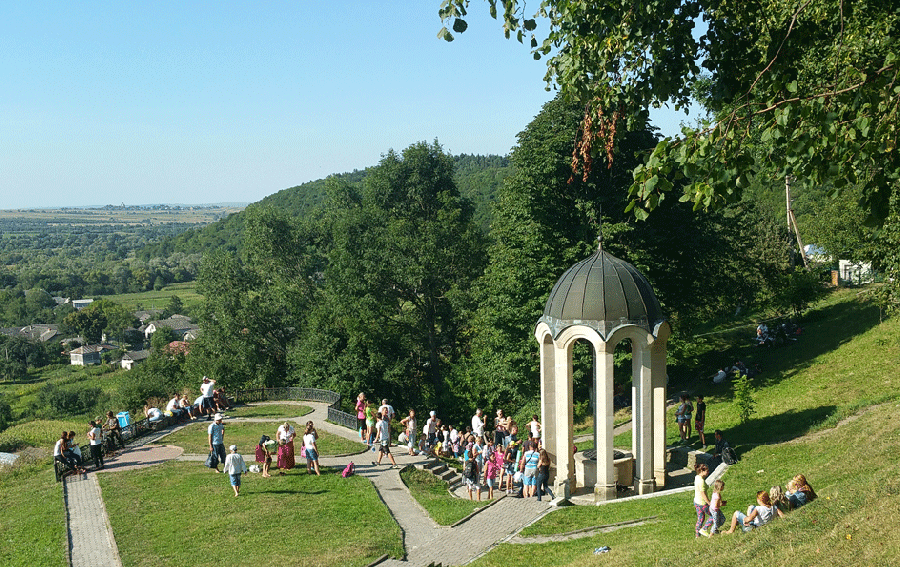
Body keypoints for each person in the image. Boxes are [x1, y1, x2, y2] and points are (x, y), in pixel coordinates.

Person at [692, 463, 710, 537]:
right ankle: (704, 529)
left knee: (700, 518)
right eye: (706, 471)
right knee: (713, 515)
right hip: (702, 503)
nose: (708, 472)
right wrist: (709, 502)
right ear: (702, 471)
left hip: (696, 502)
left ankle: (697, 535)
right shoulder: (701, 481)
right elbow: (703, 494)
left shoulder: (697, 477)